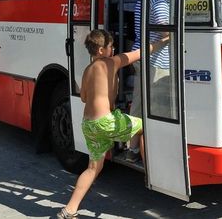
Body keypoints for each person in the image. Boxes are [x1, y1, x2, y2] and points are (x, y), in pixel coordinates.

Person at [57, 29, 167, 219]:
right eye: (111, 46)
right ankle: (152, 175)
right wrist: (163, 41)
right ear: (101, 50)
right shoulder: (110, 63)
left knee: (93, 168)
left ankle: (69, 209)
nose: (114, 49)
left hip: (89, 125)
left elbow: (83, 97)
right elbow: (139, 53)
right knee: (144, 126)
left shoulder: (87, 70)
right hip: (105, 122)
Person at [128, 0, 171, 156]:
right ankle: (140, 150)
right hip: (155, 60)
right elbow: (165, 30)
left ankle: (133, 148)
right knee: (153, 109)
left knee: (139, 104)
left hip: (145, 56)